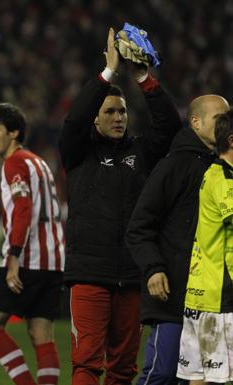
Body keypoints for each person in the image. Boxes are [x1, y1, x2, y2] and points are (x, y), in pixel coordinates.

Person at [58, 28, 181, 385]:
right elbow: (73, 121)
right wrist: (108, 72)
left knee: (124, 369)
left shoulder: (141, 152)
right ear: (96, 118)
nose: (118, 118)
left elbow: (170, 126)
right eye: (110, 111)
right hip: (89, 275)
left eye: (123, 112)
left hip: (132, 277)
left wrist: (142, 76)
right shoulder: (78, 153)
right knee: (85, 365)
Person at [126, 95, 229, 385]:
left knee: (201, 379)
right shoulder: (175, 165)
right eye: (218, 118)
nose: (226, 124)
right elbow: (140, 225)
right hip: (174, 292)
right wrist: (153, 268)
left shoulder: (224, 169)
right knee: (162, 373)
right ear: (195, 122)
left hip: (212, 297)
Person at [0, 103, 64, 385]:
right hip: (54, 262)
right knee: (41, 334)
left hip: (27, 259)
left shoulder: (13, 163)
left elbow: (23, 208)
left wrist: (13, 257)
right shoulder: (39, 163)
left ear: (13, 132)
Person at [176, 109, 233, 385]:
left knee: (200, 378)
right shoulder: (225, 178)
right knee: (215, 379)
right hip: (220, 296)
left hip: (200, 293)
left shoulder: (212, 173)